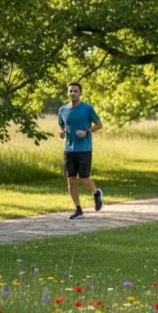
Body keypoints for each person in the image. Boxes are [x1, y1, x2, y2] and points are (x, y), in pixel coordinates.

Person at [58, 82, 104, 219]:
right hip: (69, 150)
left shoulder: (87, 108)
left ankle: (96, 193)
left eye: (75, 91)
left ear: (80, 93)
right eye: (70, 91)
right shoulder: (62, 110)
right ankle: (78, 210)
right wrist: (61, 132)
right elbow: (60, 124)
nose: (72, 93)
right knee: (71, 181)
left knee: (84, 179)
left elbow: (99, 124)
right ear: (67, 93)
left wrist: (87, 132)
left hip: (84, 149)